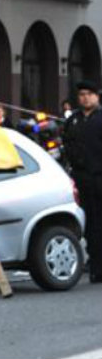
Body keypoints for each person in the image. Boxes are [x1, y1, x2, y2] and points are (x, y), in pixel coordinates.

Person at [63, 80, 102, 283]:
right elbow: (66, 145)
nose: (85, 98)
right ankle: (95, 263)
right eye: (81, 94)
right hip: (82, 178)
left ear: (97, 96)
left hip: (99, 177)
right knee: (89, 224)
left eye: (89, 94)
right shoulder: (73, 121)